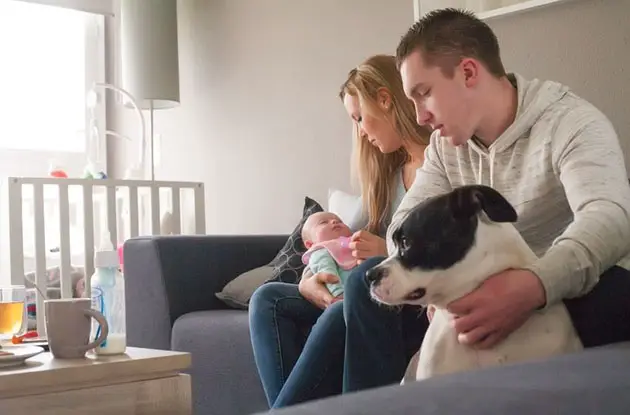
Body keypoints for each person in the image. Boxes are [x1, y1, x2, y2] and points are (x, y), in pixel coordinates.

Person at [340, 6, 630, 397]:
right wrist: (439, 284)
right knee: (363, 286)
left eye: (423, 94)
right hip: (463, 290)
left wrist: (535, 285)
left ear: (469, 72)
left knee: (613, 290)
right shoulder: (445, 148)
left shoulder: (571, 123)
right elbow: (402, 225)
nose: (420, 117)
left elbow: (610, 217)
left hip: (563, 283)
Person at [248, 54, 431, 409]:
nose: (361, 131)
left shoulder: (442, 164)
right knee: (266, 300)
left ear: (386, 99)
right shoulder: (388, 179)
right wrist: (307, 280)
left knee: (341, 310)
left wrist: (386, 251)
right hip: (365, 295)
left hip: (406, 303)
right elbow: (334, 240)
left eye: (361, 118)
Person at [301, 212, 358, 299]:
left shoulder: (357, 241)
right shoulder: (321, 251)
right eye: (323, 222)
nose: (334, 221)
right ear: (310, 244)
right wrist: (339, 294)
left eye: (340, 221)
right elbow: (327, 273)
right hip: (339, 295)